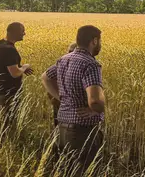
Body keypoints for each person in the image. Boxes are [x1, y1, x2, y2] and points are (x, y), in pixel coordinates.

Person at [42, 26, 105, 174]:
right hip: (82, 131)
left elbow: (45, 77)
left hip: (62, 128)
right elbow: (95, 101)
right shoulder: (91, 64)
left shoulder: (64, 59)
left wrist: (61, 98)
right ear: (94, 41)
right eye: (100, 41)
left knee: (67, 170)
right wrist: (97, 109)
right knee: (83, 171)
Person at [0, 22, 33, 130]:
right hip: (9, 91)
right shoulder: (9, 50)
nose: (24, 33)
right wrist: (24, 67)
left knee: (2, 118)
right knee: (8, 121)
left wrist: (19, 67)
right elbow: (14, 74)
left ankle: (0, 141)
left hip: (0, 88)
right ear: (15, 32)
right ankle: (4, 142)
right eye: (22, 31)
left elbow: (5, 66)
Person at [49, 43, 77, 128]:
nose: (70, 54)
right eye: (69, 51)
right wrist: (57, 97)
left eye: (72, 52)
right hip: (61, 103)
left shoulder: (80, 66)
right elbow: (46, 77)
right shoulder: (62, 64)